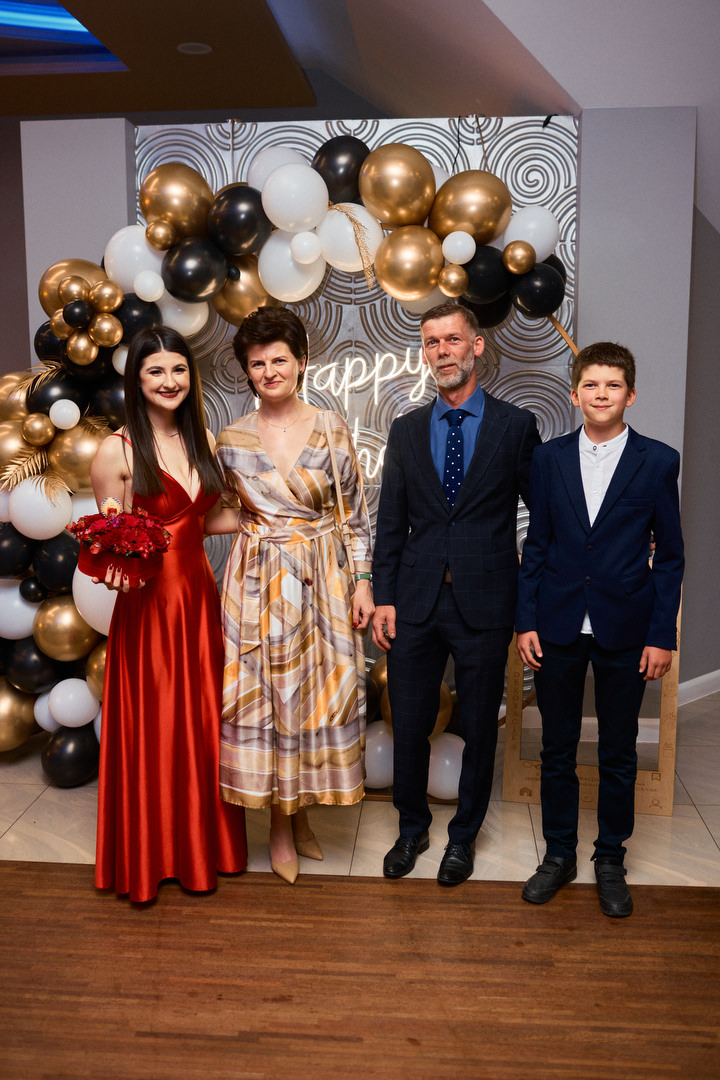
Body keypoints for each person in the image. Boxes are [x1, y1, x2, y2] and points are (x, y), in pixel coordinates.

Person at [371, 301, 541, 886]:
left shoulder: (515, 427)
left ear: (476, 346)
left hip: (487, 601)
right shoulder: (406, 429)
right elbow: (390, 521)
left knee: (477, 725)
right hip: (415, 600)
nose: (442, 351)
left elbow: (544, 517)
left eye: (452, 339)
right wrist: (385, 595)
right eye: (431, 342)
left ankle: (463, 836)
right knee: (408, 719)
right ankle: (411, 828)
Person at [516, 342, 684, 917]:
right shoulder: (549, 459)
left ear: (630, 395)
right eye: (591, 384)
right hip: (558, 624)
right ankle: (559, 853)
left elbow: (671, 557)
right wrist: (526, 620)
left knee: (617, 750)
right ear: (574, 394)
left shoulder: (658, 461)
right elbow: (537, 544)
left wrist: (661, 635)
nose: (601, 394)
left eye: (613, 385)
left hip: (626, 627)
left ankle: (610, 857)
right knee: (557, 748)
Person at [210, 307, 374, 885]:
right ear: (247, 372)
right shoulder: (230, 439)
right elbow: (220, 511)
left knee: (310, 697)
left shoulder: (332, 427)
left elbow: (354, 513)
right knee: (267, 697)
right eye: (258, 364)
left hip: (321, 580)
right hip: (255, 582)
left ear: (301, 362)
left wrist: (363, 581)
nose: (269, 371)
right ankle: (280, 828)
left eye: (279, 359)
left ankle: (299, 812)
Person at [90, 325, 247, 903]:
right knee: (156, 726)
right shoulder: (117, 450)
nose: (169, 380)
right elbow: (111, 537)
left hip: (198, 599)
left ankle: (204, 851)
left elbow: (201, 522)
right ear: (136, 380)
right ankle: (150, 857)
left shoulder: (199, 437)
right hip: (150, 606)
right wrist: (109, 563)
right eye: (155, 370)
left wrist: (271, 517)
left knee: (201, 723)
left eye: (178, 368)